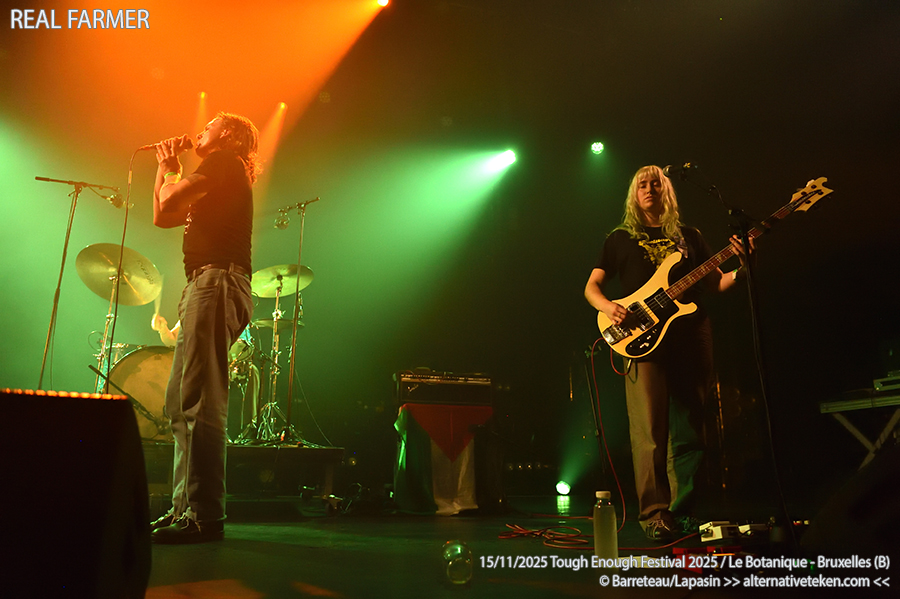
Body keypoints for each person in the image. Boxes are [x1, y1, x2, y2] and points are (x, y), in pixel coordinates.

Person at [584, 165, 752, 541]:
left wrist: (743, 265)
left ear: (667, 191)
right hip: (641, 336)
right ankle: (655, 514)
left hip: (691, 333)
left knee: (691, 425)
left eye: (656, 183)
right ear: (634, 194)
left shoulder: (689, 237)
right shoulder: (620, 238)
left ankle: (683, 510)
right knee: (650, 429)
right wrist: (609, 307)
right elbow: (592, 287)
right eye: (642, 184)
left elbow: (717, 283)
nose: (649, 188)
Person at [149, 112, 260, 543]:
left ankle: (205, 514)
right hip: (203, 284)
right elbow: (162, 213)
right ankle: (184, 508)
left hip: (217, 281)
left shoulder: (224, 162)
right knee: (179, 402)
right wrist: (164, 168)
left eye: (209, 125)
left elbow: (173, 195)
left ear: (226, 135)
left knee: (201, 402)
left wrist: (171, 169)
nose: (200, 130)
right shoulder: (216, 176)